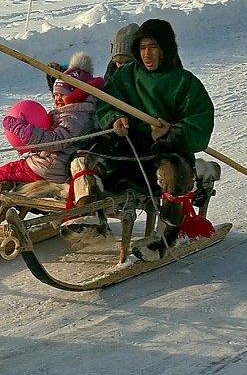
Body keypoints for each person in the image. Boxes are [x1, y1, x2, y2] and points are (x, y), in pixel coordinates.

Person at [74, 18, 216, 261]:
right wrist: (115, 119)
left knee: (175, 173)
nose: (147, 54)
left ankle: (165, 237)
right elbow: (106, 103)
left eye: (153, 47)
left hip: (164, 153)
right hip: (129, 149)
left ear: (166, 48)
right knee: (83, 159)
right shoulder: (126, 75)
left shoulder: (185, 82)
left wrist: (172, 131)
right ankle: (89, 212)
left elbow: (201, 125)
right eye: (142, 48)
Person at [0, 52, 105, 214]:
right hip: (54, 162)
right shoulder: (77, 112)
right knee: (14, 173)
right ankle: (0, 197)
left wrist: (24, 131)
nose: (57, 98)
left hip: (50, 165)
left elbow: (56, 140)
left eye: (63, 94)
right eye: (55, 94)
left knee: (6, 172)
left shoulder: (75, 117)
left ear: (77, 94)